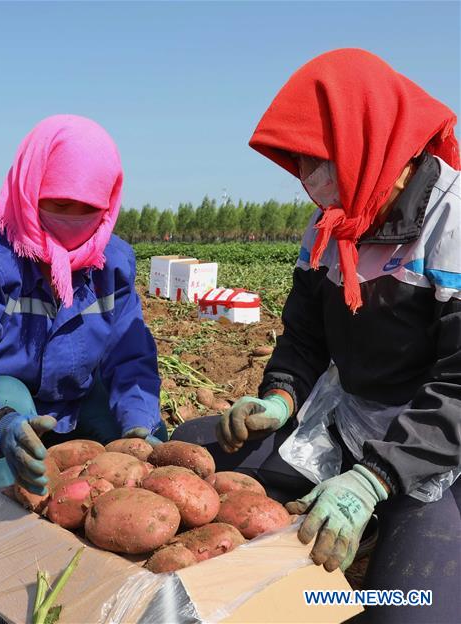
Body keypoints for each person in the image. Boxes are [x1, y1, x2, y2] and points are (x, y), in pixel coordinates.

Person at [171, 49, 459, 623]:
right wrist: (279, 397)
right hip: (348, 420)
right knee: (195, 454)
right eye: (298, 164)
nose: (307, 180)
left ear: (366, 138)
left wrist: (376, 478)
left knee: (409, 607)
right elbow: (304, 336)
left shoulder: (451, 222)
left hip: (438, 447)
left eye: (314, 160)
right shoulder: (334, 219)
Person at [0, 115, 164, 507]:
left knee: (129, 436)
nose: (72, 218)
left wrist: (140, 425)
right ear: (30, 189)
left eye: (87, 208)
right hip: (7, 404)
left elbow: (129, 355)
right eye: (58, 203)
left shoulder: (114, 262)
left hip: (78, 396)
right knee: (8, 399)